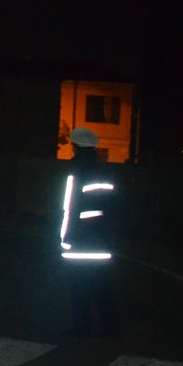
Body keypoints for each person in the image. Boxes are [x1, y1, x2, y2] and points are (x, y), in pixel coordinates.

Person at [60, 127, 116, 336]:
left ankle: (81, 327)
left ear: (75, 147)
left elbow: (70, 207)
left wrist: (65, 238)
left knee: (78, 286)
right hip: (100, 239)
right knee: (101, 286)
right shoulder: (103, 171)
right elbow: (112, 206)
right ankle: (110, 328)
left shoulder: (77, 171)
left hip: (79, 239)